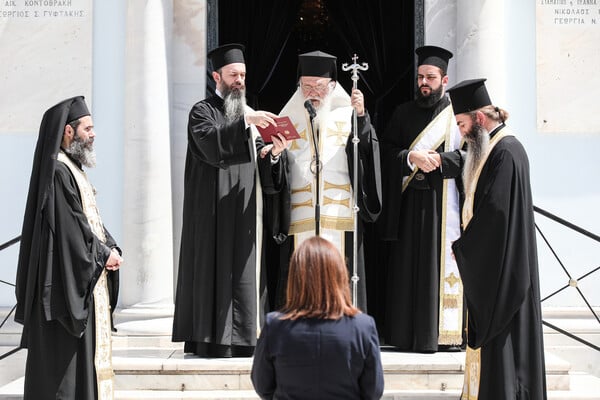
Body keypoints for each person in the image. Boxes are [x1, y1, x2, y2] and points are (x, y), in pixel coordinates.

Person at [172, 43, 287, 358]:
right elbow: (212, 146)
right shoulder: (202, 111)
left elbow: (262, 161)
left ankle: (248, 339)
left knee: (245, 273)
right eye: (234, 75)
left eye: (243, 75)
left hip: (247, 211)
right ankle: (212, 341)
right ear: (216, 77)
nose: (240, 81)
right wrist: (247, 125)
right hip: (212, 213)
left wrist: (272, 153)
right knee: (214, 271)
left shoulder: (250, 116)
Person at [15, 96, 123, 400]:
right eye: (87, 128)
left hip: (80, 278)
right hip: (63, 289)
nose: (94, 133)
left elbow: (90, 220)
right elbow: (70, 228)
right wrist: (102, 254)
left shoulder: (73, 169)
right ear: (68, 132)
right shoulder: (59, 172)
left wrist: (110, 246)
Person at [447, 79, 547, 400]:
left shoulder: (505, 151)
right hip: (501, 267)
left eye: (462, 124)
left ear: (478, 119)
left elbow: (496, 214)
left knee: (506, 353)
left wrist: (464, 249)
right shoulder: (494, 148)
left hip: (505, 276)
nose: (461, 133)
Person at [266, 50, 381, 312]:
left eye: (318, 87)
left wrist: (362, 117)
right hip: (301, 214)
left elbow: (367, 154)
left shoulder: (349, 115)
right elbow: (276, 172)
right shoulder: (288, 119)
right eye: (306, 86)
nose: (312, 93)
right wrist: (273, 155)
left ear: (332, 87)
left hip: (339, 213)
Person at [378, 45, 465, 352]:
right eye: (420, 77)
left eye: (430, 77)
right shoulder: (403, 113)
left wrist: (441, 161)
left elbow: (471, 156)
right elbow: (385, 153)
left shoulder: (457, 117)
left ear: (444, 79)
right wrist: (410, 156)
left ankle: (442, 335)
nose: (423, 83)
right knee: (407, 270)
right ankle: (405, 335)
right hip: (410, 207)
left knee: (439, 267)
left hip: (445, 207)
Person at [251, 236, 384, 399]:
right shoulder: (363, 327)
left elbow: (262, 385)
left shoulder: (275, 326)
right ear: (340, 275)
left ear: (295, 277)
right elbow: (374, 390)